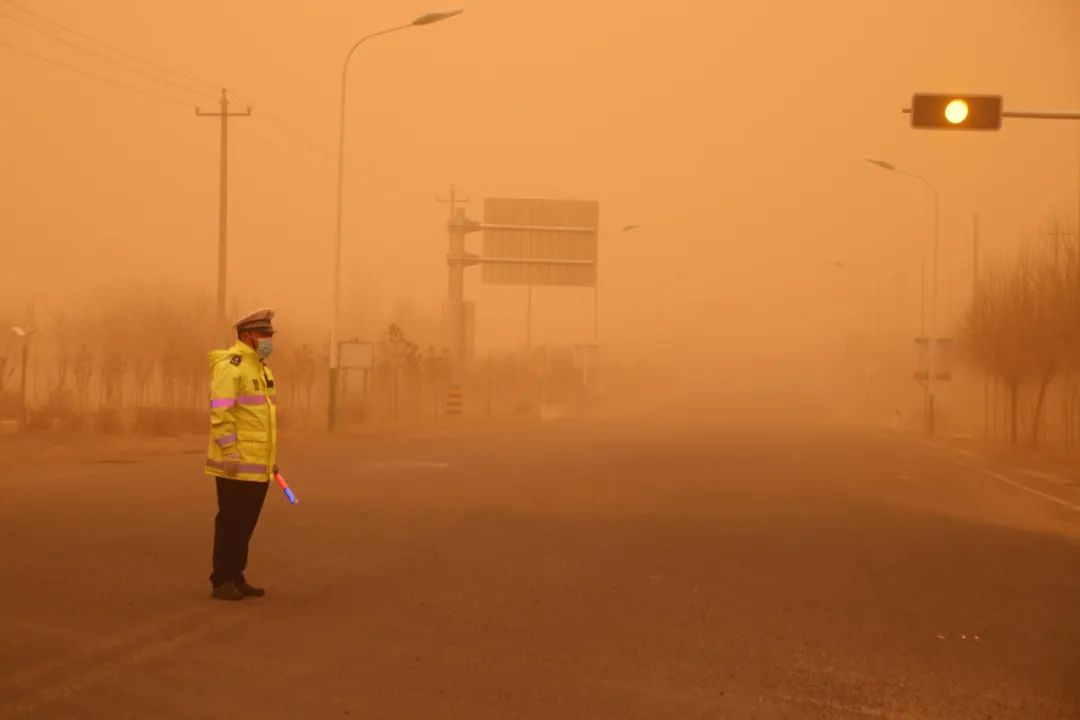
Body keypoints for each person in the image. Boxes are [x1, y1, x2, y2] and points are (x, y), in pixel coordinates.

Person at [205, 308, 279, 601]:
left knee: (245, 524)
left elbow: (263, 421)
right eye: (264, 335)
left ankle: (236, 575)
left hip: (257, 464)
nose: (269, 340)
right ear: (248, 336)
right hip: (235, 464)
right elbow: (221, 411)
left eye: (270, 335)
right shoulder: (231, 366)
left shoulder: (260, 368)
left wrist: (270, 460)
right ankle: (222, 579)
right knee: (231, 523)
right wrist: (229, 450)